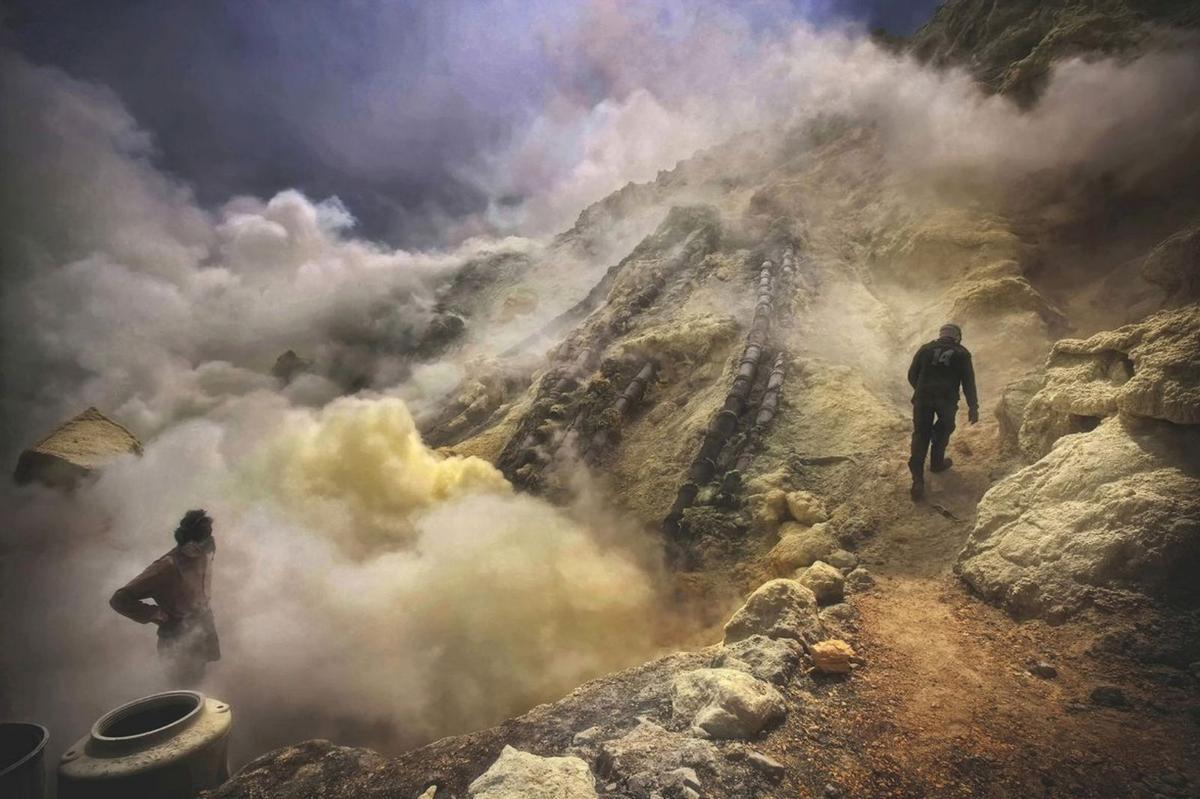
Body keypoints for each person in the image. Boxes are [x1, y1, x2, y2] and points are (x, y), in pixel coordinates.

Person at [110, 509, 220, 685]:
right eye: (196, 547)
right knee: (184, 689)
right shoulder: (165, 567)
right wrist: (155, 614)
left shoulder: (205, 553)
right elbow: (119, 600)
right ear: (185, 541)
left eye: (203, 547)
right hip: (177, 638)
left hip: (201, 629)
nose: (200, 552)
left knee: (202, 684)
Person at [906, 323, 979, 500]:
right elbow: (968, 383)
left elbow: (911, 374)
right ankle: (937, 463)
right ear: (957, 337)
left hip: (923, 398)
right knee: (945, 428)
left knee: (920, 434)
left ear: (941, 335)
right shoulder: (962, 353)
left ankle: (917, 481)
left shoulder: (925, 349)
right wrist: (973, 406)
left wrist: (922, 389)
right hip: (946, 399)